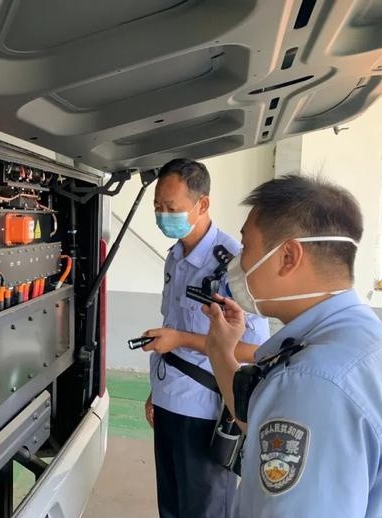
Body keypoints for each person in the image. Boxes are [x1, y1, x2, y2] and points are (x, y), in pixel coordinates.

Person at [203, 174, 382, 517]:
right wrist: (220, 352)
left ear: (288, 256)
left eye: (247, 247)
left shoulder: (312, 382)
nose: (238, 263)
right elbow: (264, 425)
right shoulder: (367, 340)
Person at [140, 158, 269, 518]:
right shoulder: (175, 256)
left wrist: (181, 339)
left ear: (203, 204)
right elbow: (173, 325)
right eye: (157, 207)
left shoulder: (233, 265)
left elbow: (254, 350)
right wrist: (156, 391)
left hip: (206, 409)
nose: (163, 215)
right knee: (171, 506)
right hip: (169, 399)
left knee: (204, 509)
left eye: (172, 208)